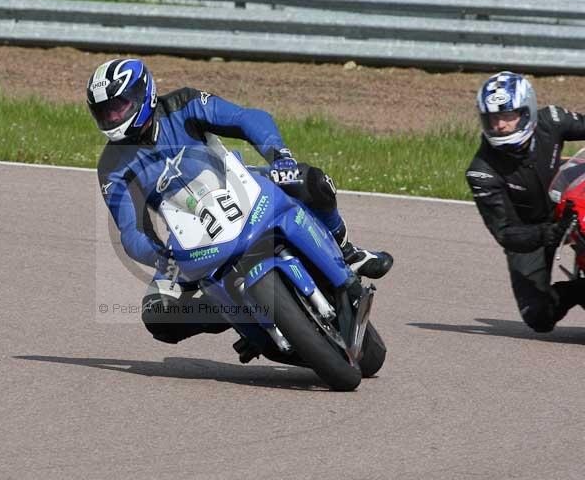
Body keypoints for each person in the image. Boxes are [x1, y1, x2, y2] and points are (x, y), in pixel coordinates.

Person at [89, 58, 393, 346]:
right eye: (104, 113)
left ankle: (346, 250)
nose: (112, 118)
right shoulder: (111, 167)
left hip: (240, 186)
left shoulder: (184, 103)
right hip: (188, 235)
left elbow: (246, 118)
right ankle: (236, 315)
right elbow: (130, 232)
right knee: (157, 314)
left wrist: (279, 156)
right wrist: (160, 256)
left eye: (118, 107)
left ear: (145, 94)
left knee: (308, 180)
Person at [466, 70, 585, 333]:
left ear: (527, 111)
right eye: (493, 118)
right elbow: (505, 233)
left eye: (507, 115)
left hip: (570, 203)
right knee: (539, 318)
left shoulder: (552, 119)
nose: (500, 125)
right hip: (530, 230)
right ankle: (579, 290)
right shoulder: (482, 171)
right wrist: (548, 233)